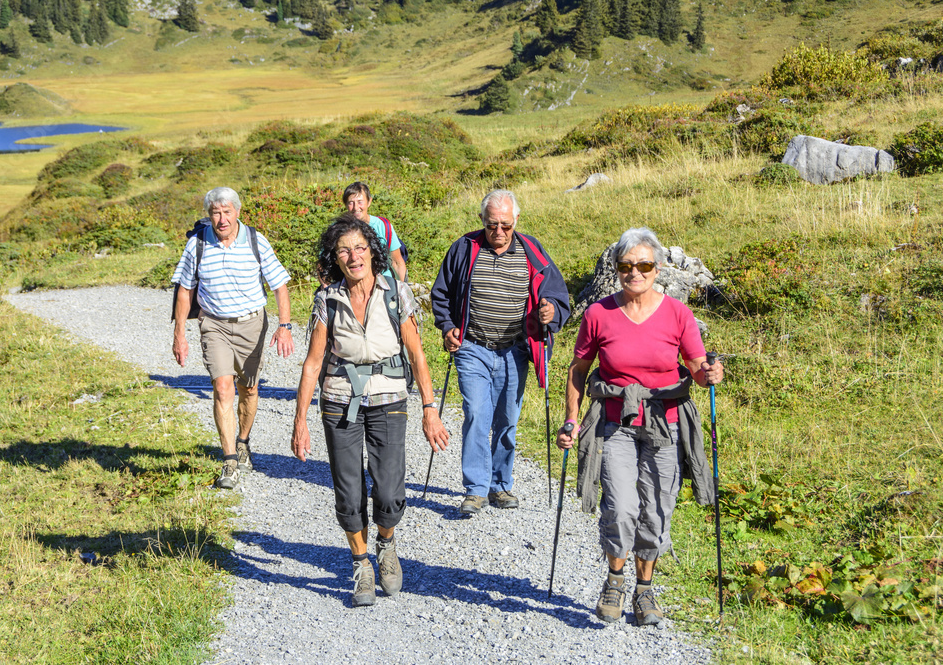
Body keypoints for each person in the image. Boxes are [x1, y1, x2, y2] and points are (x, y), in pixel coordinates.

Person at [555, 227, 724, 626]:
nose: (635, 272)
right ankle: (615, 580)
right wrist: (571, 419)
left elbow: (698, 369)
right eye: (627, 265)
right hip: (614, 424)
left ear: (658, 268)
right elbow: (578, 370)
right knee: (620, 506)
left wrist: (710, 373)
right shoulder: (599, 314)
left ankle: (644, 590)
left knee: (658, 509)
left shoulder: (678, 314)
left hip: (665, 424)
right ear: (616, 269)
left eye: (644, 265)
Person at [291, 215, 448, 607]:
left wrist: (430, 408)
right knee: (348, 490)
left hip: (389, 397)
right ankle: (361, 563)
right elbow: (312, 363)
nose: (353, 256)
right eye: (344, 250)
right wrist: (300, 420)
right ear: (335, 258)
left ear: (372, 252)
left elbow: (416, 352)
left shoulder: (395, 291)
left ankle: (387, 543)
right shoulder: (328, 298)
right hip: (340, 399)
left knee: (390, 488)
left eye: (360, 248)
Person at [430, 190, 570, 515]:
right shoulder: (464, 249)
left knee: (508, 418)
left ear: (515, 221)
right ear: (482, 220)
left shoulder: (533, 252)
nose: (499, 232)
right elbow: (442, 293)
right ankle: (476, 489)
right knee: (478, 413)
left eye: (505, 225)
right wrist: (448, 326)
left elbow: (557, 296)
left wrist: (551, 312)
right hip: (473, 346)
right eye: (492, 224)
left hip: (516, 350)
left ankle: (500, 484)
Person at [172, 186, 295, 490]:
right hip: (214, 325)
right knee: (223, 387)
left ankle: (242, 440)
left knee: (248, 389)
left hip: (252, 324)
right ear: (209, 215)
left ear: (237, 212)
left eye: (227, 212)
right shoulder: (197, 245)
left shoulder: (256, 240)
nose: (221, 218)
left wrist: (285, 326)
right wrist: (179, 334)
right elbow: (185, 291)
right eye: (215, 212)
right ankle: (229, 461)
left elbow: (279, 285)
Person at [343, 181, 407, 281]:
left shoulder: (383, 226)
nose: (356, 207)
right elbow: (323, 264)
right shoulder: (339, 230)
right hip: (350, 285)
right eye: (351, 203)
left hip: (384, 284)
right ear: (346, 205)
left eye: (360, 202)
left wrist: (402, 290)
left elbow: (397, 262)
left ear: (369, 202)